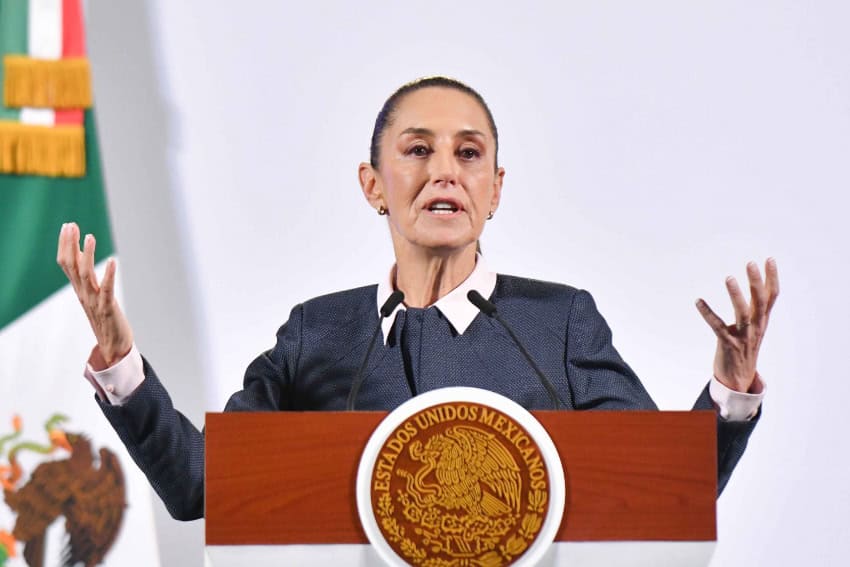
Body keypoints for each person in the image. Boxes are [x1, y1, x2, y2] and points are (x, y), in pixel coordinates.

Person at [56, 77, 779, 522]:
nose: (445, 171)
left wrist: (730, 387)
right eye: (417, 150)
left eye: (469, 154)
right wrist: (121, 362)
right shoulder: (317, 333)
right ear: (374, 185)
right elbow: (197, 484)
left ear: (495, 189)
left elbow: (659, 493)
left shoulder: (558, 323)